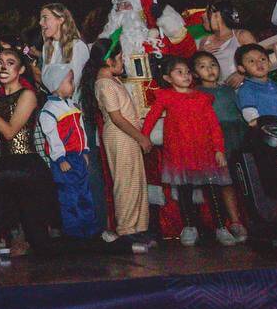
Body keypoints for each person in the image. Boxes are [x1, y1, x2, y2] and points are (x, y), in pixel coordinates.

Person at [0, 46, 54, 268]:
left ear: (21, 69)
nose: (3, 66)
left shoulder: (28, 95)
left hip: (29, 167)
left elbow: (10, 131)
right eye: (0, 62)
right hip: (7, 165)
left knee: (43, 245)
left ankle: (109, 245)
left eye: (10, 62)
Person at [142, 57, 237, 246]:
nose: (185, 76)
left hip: (205, 152)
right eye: (179, 72)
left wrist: (218, 149)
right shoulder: (166, 96)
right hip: (179, 152)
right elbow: (152, 117)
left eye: (187, 72)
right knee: (184, 191)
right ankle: (189, 227)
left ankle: (221, 227)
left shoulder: (202, 98)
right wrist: (143, 137)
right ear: (168, 78)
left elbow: (214, 126)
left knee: (212, 190)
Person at [85, 47, 151, 247]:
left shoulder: (113, 81)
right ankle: (126, 230)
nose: (122, 62)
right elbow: (116, 118)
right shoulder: (104, 84)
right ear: (108, 61)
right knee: (125, 181)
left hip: (127, 134)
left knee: (135, 179)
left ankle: (138, 228)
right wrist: (141, 138)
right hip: (120, 134)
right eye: (120, 58)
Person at [192, 51, 249, 240]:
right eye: (203, 66)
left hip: (238, 135)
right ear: (195, 73)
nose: (210, 69)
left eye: (213, 64)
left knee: (245, 177)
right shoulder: (197, 93)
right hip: (217, 139)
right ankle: (234, 222)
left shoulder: (228, 89)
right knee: (226, 181)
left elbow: (241, 111)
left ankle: (252, 217)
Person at [38, 63, 98, 240]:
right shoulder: (49, 110)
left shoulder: (71, 105)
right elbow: (52, 136)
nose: (73, 85)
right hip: (65, 160)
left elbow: (81, 129)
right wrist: (60, 158)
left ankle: (90, 230)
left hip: (78, 156)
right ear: (56, 85)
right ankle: (73, 233)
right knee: (69, 196)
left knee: (84, 193)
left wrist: (85, 150)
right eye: (70, 81)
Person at [196, 2, 257, 86]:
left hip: (247, 86)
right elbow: (197, 69)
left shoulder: (241, 35)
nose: (203, 16)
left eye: (208, 13)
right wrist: (203, 53)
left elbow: (258, 58)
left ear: (220, 16)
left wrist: (241, 74)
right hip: (223, 92)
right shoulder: (204, 41)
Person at [39, 3, 90, 77]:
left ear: (60, 20)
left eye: (45, 17)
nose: (40, 23)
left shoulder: (77, 46)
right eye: (40, 19)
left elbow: (77, 81)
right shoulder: (47, 47)